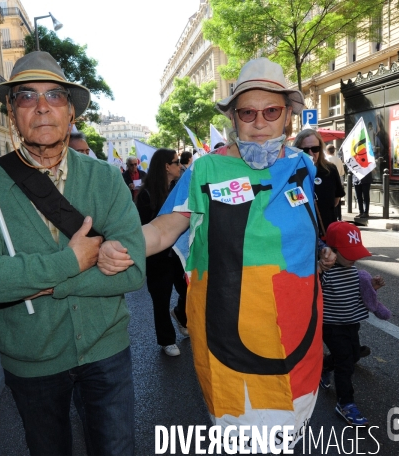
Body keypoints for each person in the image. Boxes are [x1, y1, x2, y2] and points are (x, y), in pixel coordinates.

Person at [98, 58, 337, 452]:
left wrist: (322, 251)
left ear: (288, 118)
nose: (259, 122)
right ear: (234, 118)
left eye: (271, 111)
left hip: (298, 329)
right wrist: (120, 244)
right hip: (231, 336)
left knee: (288, 435)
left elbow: (305, 225)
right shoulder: (205, 170)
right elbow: (163, 230)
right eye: (247, 112)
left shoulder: (301, 166)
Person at [0, 51, 145, 456]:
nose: (41, 107)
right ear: (11, 112)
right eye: (26, 97)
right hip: (31, 360)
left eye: (55, 96)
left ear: (71, 112)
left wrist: (44, 286)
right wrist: (70, 262)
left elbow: (133, 273)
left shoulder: (106, 178)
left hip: (106, 350)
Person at [318, 222, 385, 426]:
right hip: (331, 326)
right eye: (349, 253)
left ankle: (322, 367)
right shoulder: (325, 274)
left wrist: (371, 287)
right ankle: (345, 403)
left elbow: (362, 295)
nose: (355, 257)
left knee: (353, 355)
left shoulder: (355, 273)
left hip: (351, 323)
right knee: (345, 363)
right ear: (331, 251)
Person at [135, 149, 188, 356]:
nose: (180, 166)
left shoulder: (178, 188)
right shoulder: (146, 195)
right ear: (167, 166)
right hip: (157, 258)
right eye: (176, 162)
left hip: (179, 255)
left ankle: (181, 315)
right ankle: (167, 340)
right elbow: (144, 227)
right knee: (161, 298)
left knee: (188, 293)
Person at [293, 130, 345, 234]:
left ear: (320, 149)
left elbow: (335, 201)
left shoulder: (330, 170)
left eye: (315, 149)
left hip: (327, 232)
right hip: (301, 234)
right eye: (305, 150)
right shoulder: (292, 173)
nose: (310, 153)